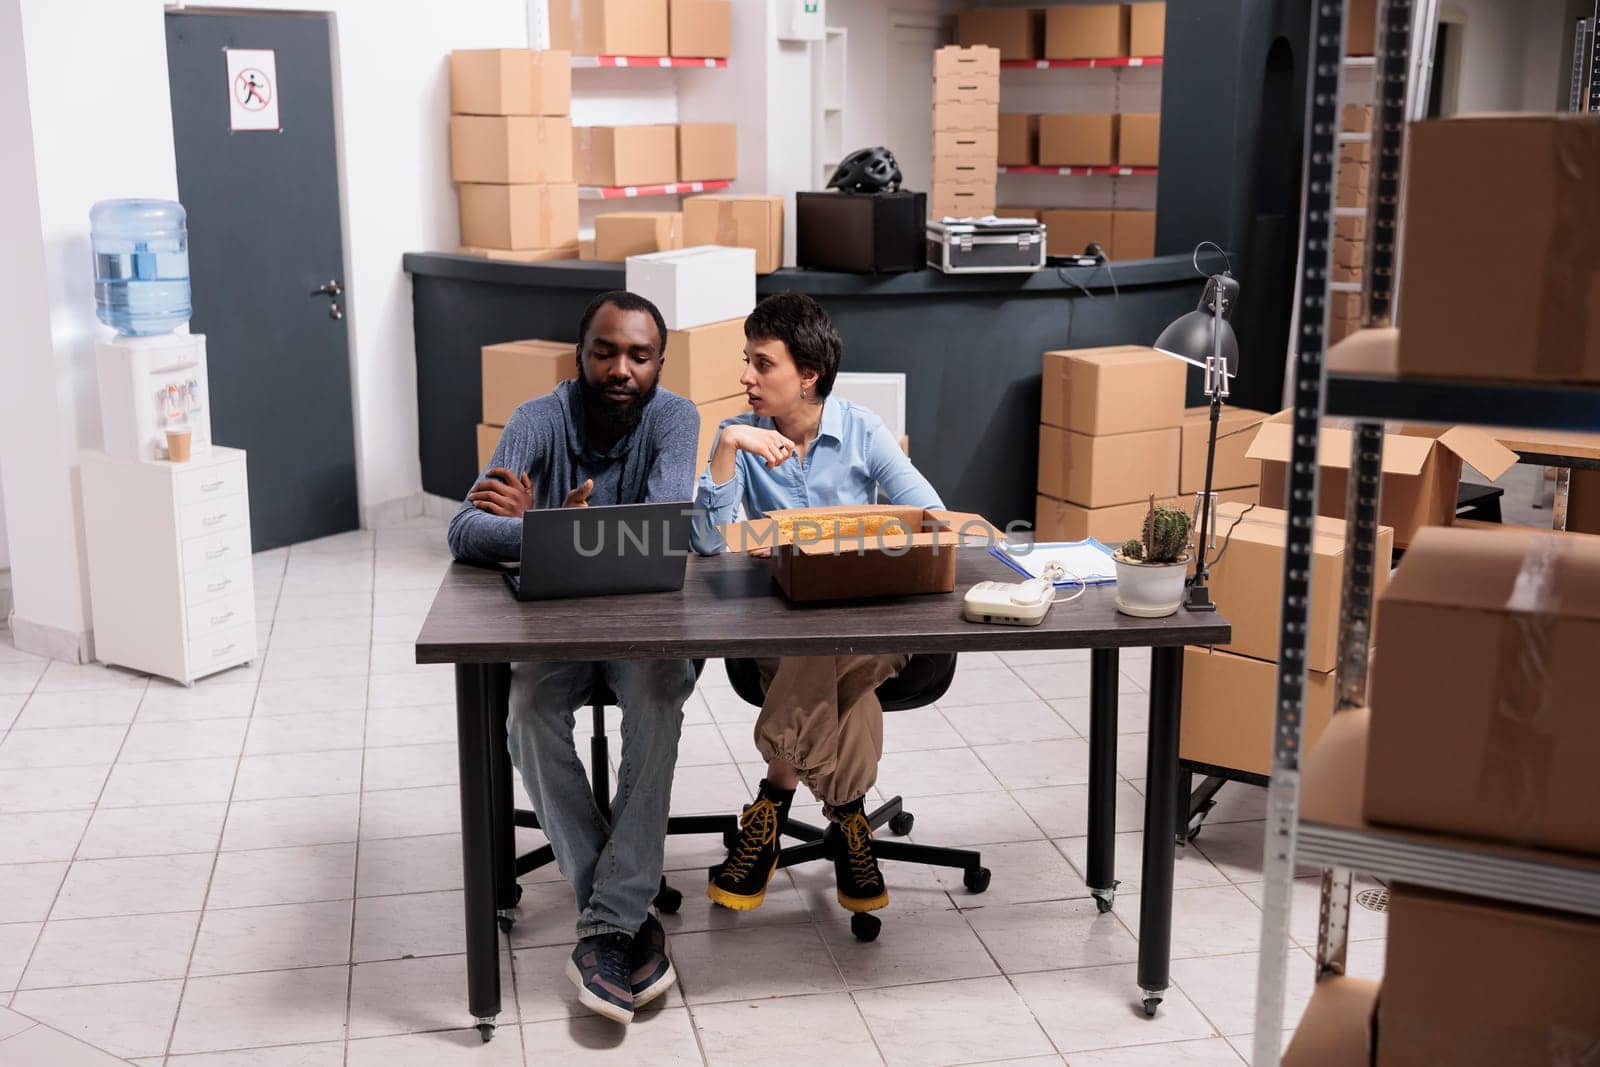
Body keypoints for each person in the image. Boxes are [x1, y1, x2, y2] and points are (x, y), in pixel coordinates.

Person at [448, 290, 699, 1026]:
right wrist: (555, 532)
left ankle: (602, 927)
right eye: (605, 351)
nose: (621, 368)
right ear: (580, 353)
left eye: (638, 354)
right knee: (524, 712)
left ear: (659, 362)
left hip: (641, 628)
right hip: (552, 628)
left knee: (659, 693)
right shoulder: (536, 420)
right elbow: (464, 529)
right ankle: (625, 919)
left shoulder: (673, 418)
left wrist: (541, 527)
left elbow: (662, 528)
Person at [690, 292, 944, 915]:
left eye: (762, 364)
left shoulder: (862, 429)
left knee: (833, 644)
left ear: (808, 376)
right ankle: (850, 816)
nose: (746, 377)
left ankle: (773, 800)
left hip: (871, 624)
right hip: (785, 625)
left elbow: (932, 514)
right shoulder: (741, 438)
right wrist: (728, 450)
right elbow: (703, 542)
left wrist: (854, 535)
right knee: (823, 655)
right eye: (746, 361)